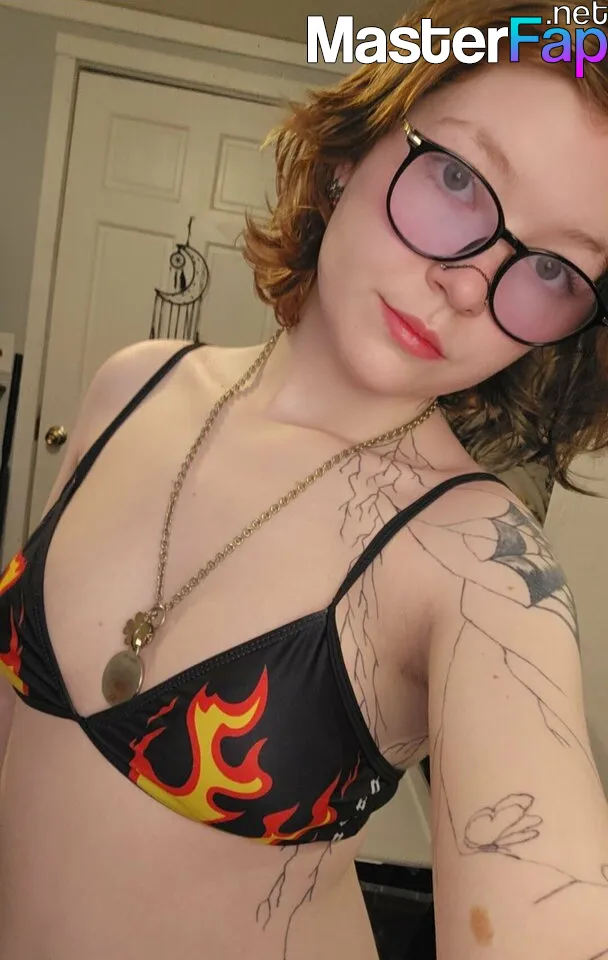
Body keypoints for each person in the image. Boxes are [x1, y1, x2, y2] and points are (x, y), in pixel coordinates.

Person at [1, 0, 608, 956]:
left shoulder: (479, 565)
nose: (468, 284)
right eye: (458, 178)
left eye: (553, 269)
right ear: (351, 153)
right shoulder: (131, 383)